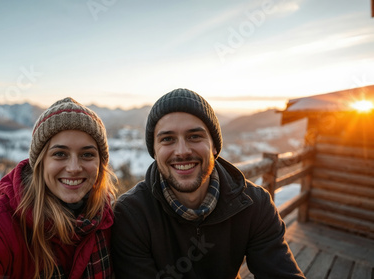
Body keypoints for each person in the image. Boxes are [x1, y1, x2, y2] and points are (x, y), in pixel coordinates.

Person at [111, 88, 305, 278]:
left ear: (214, 146)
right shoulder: (132, 214)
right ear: (154, 151)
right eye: (167, 139)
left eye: (194, 136)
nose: (182, 151)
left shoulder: (255, 204)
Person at [0, 97, 117, 279]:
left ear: (100, 163)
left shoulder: (107, 217)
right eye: (60, 154)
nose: (73, 168)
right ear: (40, 163)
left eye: (87, 154)